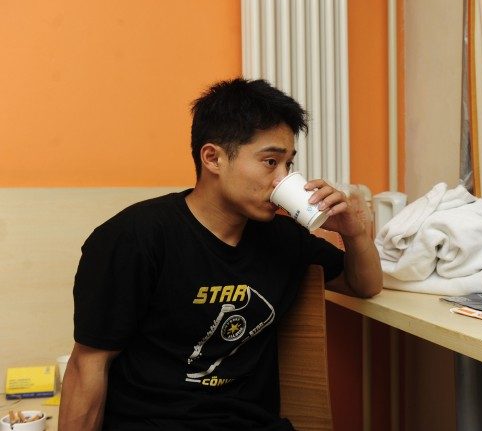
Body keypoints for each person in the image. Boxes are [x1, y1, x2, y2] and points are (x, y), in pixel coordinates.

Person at [58, 78, 383, 430]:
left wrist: (354, 233)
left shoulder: (284, 238)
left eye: (288, 165)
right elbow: (87, 366)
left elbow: (362, 284)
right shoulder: (135, 238)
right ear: (212, 158)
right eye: (270, 161)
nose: (283, 178)